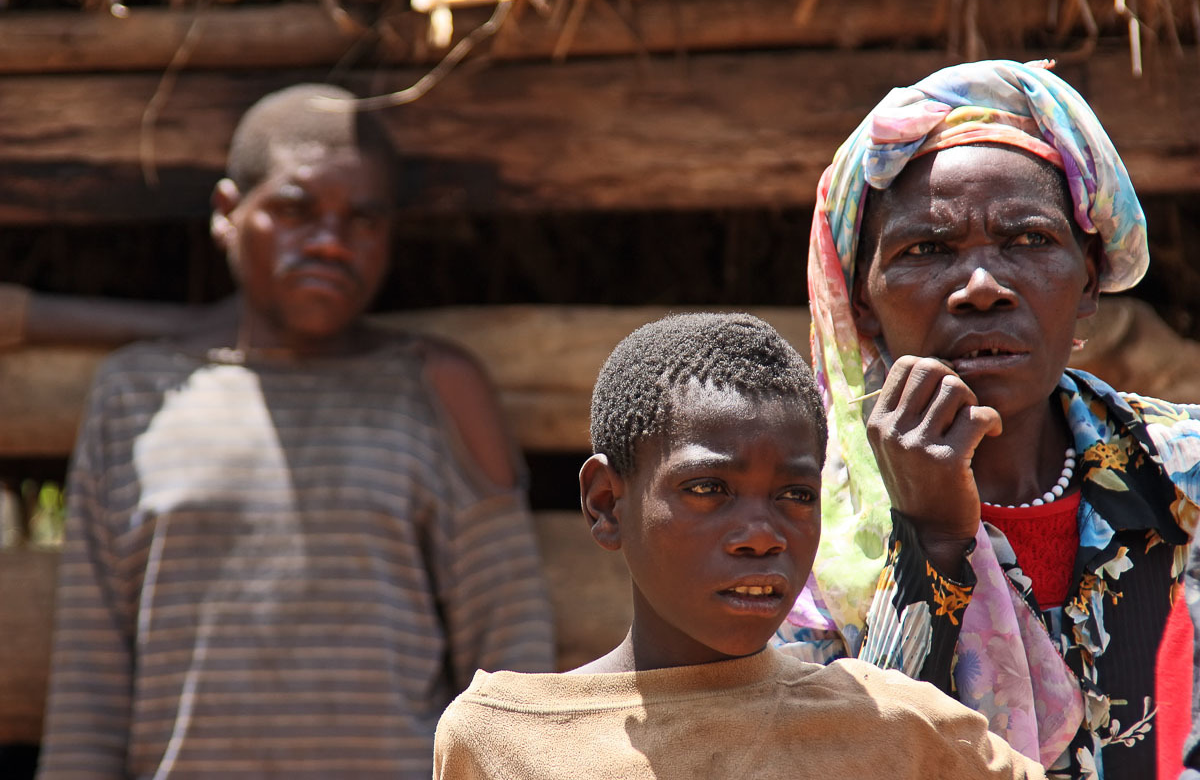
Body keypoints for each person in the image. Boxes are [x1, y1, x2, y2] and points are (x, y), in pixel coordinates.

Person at [36, 84, 555, 779]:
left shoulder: (436, 390)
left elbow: (509, 662)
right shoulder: (139, 394)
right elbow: (89, 687)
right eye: (294, 209)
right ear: (227, 213)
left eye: (363, 220)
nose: (331, 244)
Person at [774, 59, 1200, 779]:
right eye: (926, 250)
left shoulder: (1183, 473)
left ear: (1089, 280)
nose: (981, 288)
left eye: (1029, 240)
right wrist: (929, 539)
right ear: (865, 303)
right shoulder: (806, 539)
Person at [432, 312, 1046, 780]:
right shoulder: (505, 740)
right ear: (605, 504)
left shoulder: (900, 729)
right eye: (708, 488)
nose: (761, 535)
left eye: (796, 495)